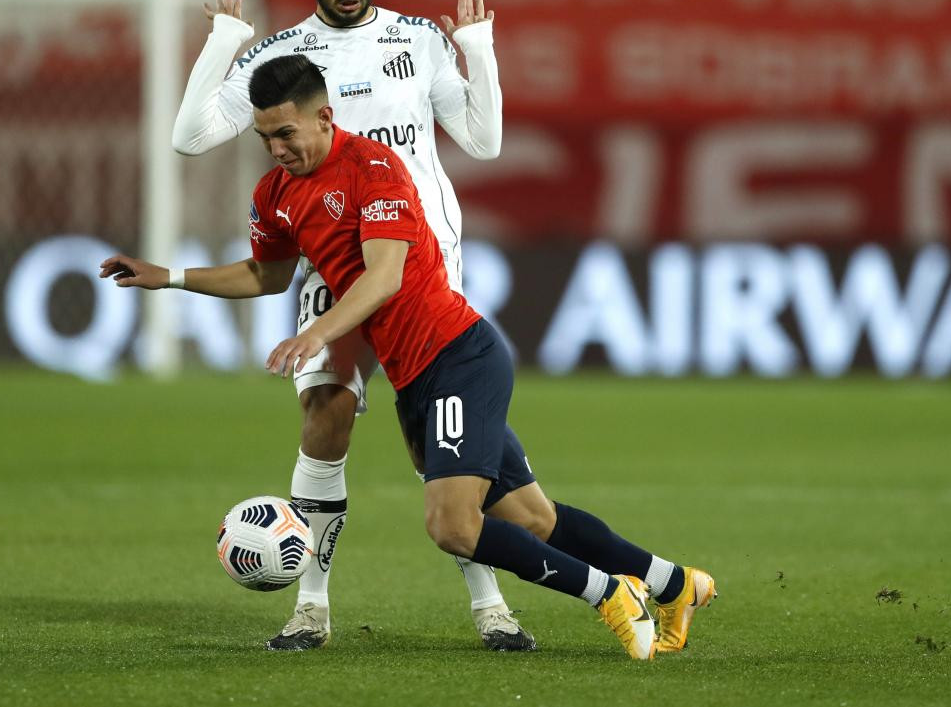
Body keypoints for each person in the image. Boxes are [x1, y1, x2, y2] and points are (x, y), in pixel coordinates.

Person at [101, 54, 717, 659]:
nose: (277, 149)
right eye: (265, 138)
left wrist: (318, 334)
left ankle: (610, 594)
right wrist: (169, 275)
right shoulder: (275, 193)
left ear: (324, 117)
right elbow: (266, 273)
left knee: (453, 525)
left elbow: (384, 277)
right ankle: (673, 584)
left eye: (286, 133)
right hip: (417, 378)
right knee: (532, 518)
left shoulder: (373, 167)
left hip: (458, 357)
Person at [171, 0, 524, 651]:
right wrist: (225, 42)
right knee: (325, 416)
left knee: (437, 445)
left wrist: (480, 51)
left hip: (418, 267)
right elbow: (191, 136)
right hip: (331, 270)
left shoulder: (419, 39)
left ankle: (490, 604)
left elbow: (485, 141)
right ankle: (311, 606)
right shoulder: (284, 57)